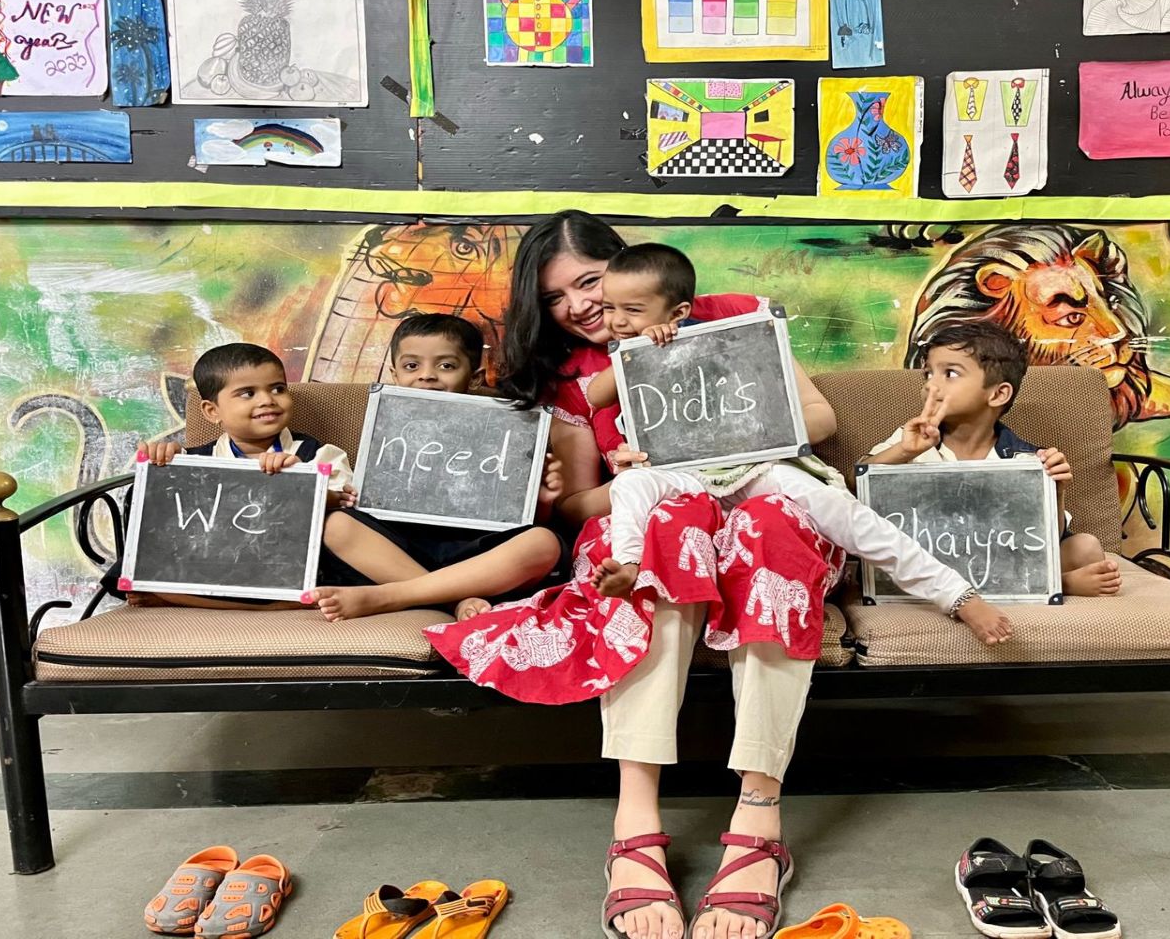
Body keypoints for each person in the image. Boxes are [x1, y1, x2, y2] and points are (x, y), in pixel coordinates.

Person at [420, 211, 900, 939]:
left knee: (770, 526)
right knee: (669, 527)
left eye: (590, 282)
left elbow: (821, 418)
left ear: (629, 269)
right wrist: (632, 479)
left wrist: (721, 444)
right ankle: (635, 818)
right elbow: (582, 507)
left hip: (762, 511)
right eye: (555, 298)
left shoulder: (730, 317)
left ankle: (759, 819)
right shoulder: (570, 380)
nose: (580, 306)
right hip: (656, 525)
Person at [584, 242, 1013, 643]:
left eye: (632, 310)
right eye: (608, 308)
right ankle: (629, 565)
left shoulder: (721, 339)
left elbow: (795, 409)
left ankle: (955, 594)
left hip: (752, 468)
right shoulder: (628, 355)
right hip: (685, 475)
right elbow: (597, 396)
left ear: (678, 312)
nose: (616, 321)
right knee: (630, 484)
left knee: (843, 512)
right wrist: (635, 352)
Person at [306, 313, 565, 621]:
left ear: (475, 377)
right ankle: (454, 600)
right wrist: (349, 496)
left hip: (477, 554)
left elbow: (519, 519)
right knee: (335, 524)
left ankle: (391, 596)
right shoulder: (383, 423)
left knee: (543, 543)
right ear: (394, 374)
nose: (427, 376)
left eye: (446, 366)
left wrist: (542, 501)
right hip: (400, 552)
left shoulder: (507, 430)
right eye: (412, 366)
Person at [863, 320, 1122, 597]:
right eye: (928, 374)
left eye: (950, 373)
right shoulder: (912, 441)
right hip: (927, 561)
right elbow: (858, 482)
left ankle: (1031, 584)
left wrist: (1054, 492)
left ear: (998, 394)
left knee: (1085, 547)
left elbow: (1045, 540)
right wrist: (905, 451)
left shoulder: (1026, 459)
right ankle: (1062, 583)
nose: (931, 386)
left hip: (998, 561)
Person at [106, 341, 359, 611]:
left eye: (278, 389)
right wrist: (164, 470)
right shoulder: (195, 462)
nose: (267, 400)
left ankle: (264, 606)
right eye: (248, 393)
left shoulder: (317, 455)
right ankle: (256, 603)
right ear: (212, 411)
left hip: (287, 563)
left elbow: (347, 504)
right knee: (137, 559)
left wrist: (299, 479)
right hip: (218, 563)